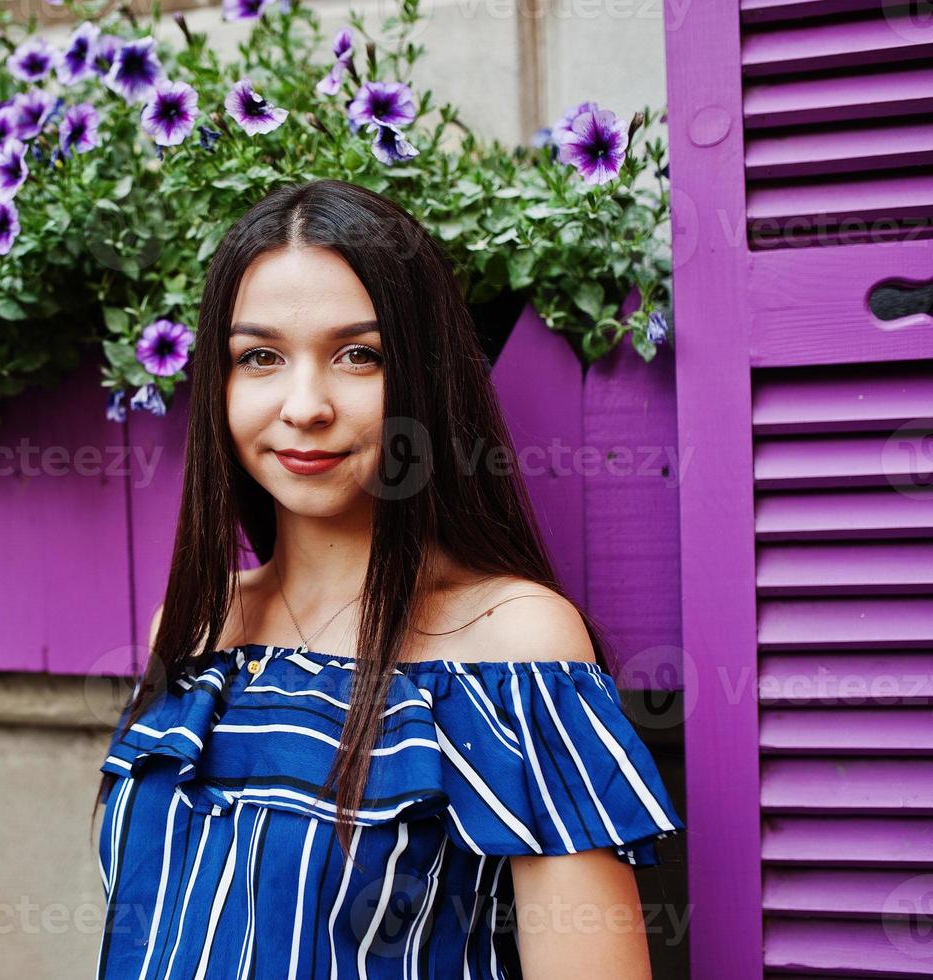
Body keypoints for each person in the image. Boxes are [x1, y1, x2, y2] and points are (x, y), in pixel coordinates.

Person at [91, 178, 684, 979]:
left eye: (358, 356)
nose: (304, 405)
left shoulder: (512, 645)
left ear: (424, 382)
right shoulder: (194, 626)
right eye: (259, 356)